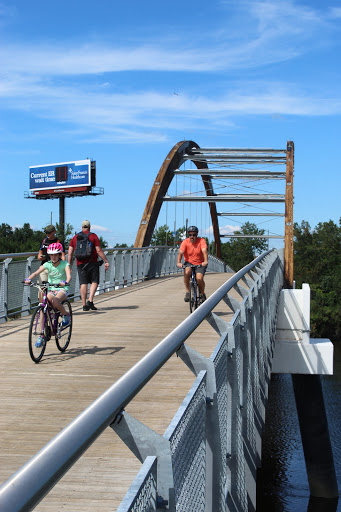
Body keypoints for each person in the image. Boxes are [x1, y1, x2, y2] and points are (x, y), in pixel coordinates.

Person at [25, 242, 71, 348]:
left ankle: (66, 315)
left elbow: (69, 275)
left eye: (55, 255)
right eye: (51, 255)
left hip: (62, 288)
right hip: (51, 289)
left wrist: (65, 281)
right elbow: (37, 272)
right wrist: (29, 278)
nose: (53, 257)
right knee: (43, 307)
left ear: (59, 255)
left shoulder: (65, 264)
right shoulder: (47, 264)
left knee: (55, 301)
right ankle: (42, 334)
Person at [68, 220, 109, 311]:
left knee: (83, 283)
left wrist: (69, 265)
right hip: (92, 262)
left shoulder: (75, 237)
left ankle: (83, 305)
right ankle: (90, 300)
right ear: (90, 227)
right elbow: (98, 250)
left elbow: (70, 253)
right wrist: (105, 260)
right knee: (94, 281)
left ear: (82, 227)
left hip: (80, 263)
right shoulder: (93, 236)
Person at [177, 225, 208, 303]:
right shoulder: (185, 242)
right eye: (190, 235)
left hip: (200, 263)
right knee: (187, 272)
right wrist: (179, 262)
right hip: (189, 263)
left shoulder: (201, 241)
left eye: (194, 235)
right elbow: (180, 253)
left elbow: (204, 251)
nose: (192, 236)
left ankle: (202, 293)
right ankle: (188, 292)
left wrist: (205, 261)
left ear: (197, 235)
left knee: (199, 278)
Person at [37, 225, 65, 302]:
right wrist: (40, 257)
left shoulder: (58, 242)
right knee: (42, 287)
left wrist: (64, 266)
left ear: (54, 232)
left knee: (54, 288)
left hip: (55, 268)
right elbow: (40, 252)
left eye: (49, 233)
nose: (48, 235)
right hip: (44, 266)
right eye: (46, 233)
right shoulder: (44, 241)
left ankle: (54, 304)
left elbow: (62, 256)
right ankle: (42, 306)